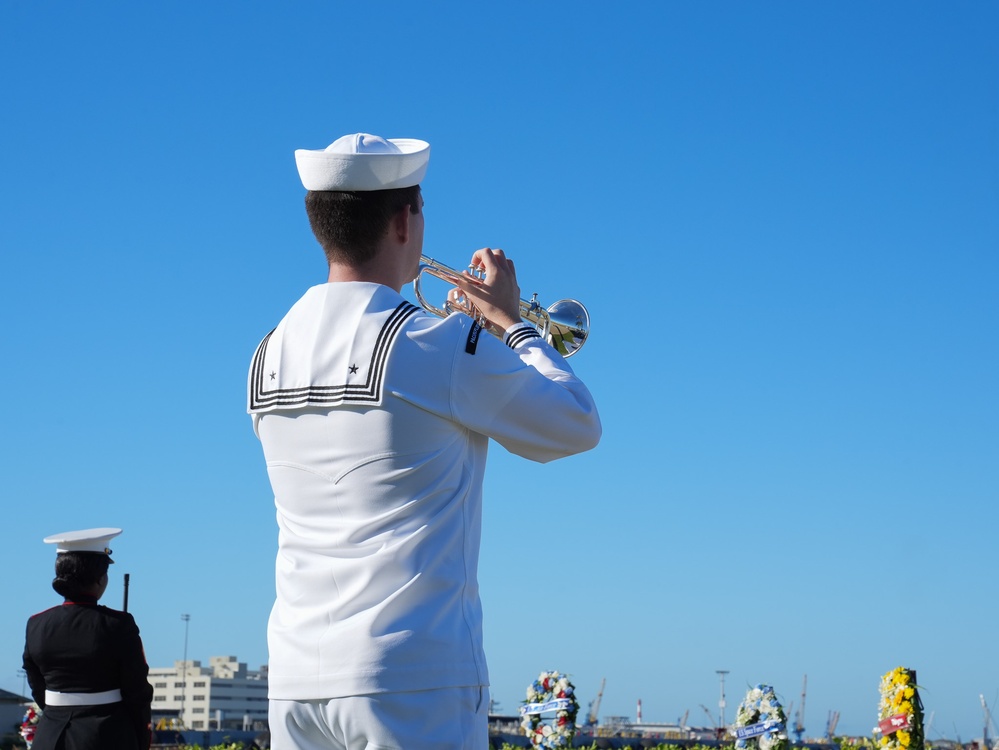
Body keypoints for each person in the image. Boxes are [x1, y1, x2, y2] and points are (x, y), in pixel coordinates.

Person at [247, 132, 601, 750]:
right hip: (411, 680)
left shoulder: (266, 353)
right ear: (407, 220)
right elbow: (575, 423)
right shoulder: (435, 345)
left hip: (296, 680)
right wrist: (512, 325)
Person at [22, 527, 153, 750]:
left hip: (50, 737)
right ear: (100, 579)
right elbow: (137, 691)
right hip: (106, 736)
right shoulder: (118, 624)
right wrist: (140, 735)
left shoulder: (36, 624)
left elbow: (37, 684)